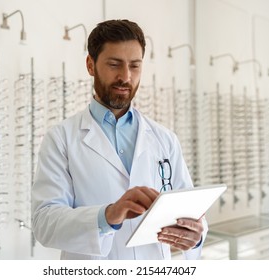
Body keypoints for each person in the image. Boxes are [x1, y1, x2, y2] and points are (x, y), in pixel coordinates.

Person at [31, 19, 207, 260]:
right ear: (90, 65)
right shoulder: (61, 139)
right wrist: (108, 215)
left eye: (135, 66)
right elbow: (44, 223)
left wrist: (197, 233)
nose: (125, 76)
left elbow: (190, 210)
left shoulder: (165, 139)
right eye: (114, 64)